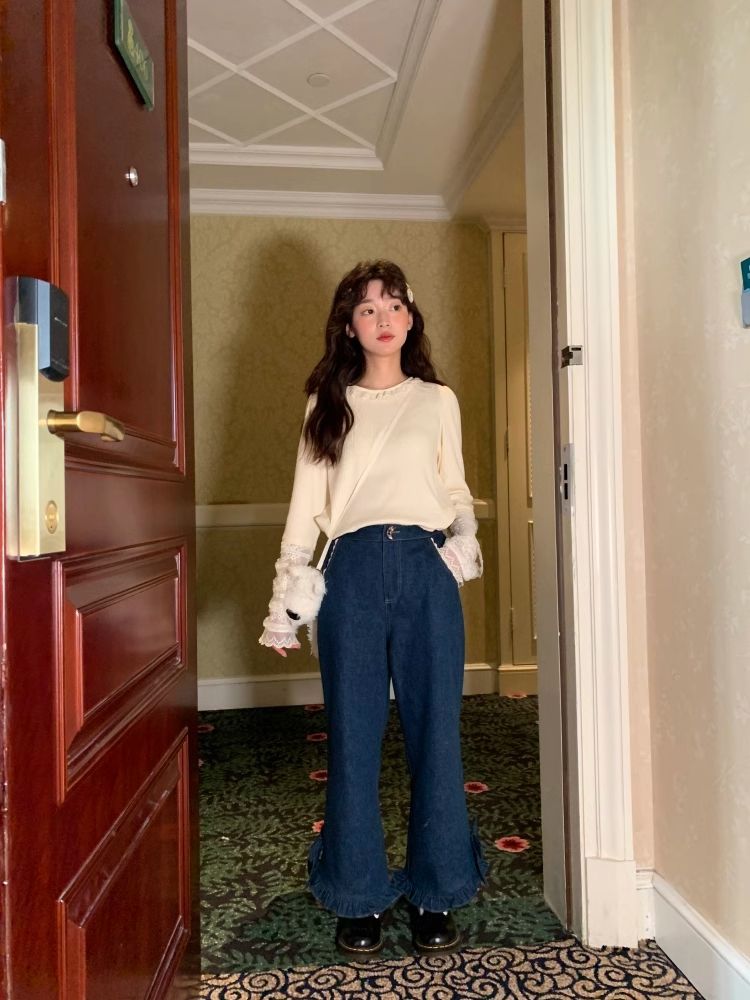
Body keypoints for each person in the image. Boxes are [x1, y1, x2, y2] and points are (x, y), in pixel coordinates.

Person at [259, 260, 488, 958]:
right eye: (367, 308)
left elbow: (456, 489)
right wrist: (285, 598)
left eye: (393, 305)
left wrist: (462, 544)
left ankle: (436, 889)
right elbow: (306, 506)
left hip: (425, 568)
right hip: (351, 573)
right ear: (349, 327)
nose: (382, 318)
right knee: (352, 736)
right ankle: (356, 892)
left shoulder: (437, 400)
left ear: (410, 319)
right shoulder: (325, 403)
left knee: (436, 733)